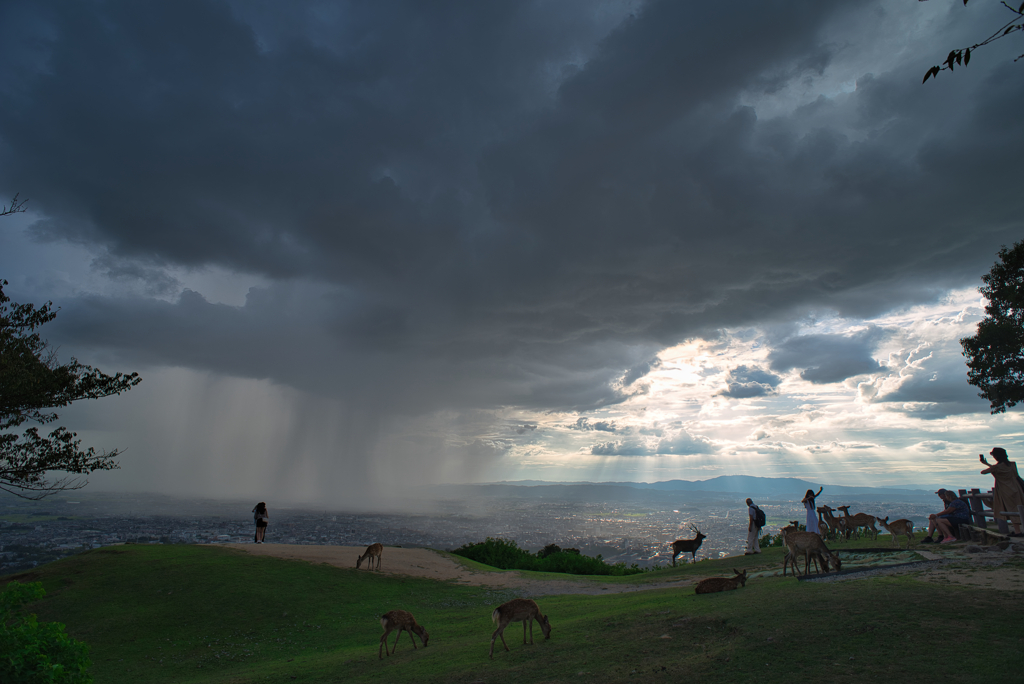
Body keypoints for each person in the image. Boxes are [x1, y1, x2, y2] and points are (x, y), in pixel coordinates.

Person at [980, 447, 1024, 535]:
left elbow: (983, 472)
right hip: (1017, 488)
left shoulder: (996, 467)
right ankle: (1018, 530)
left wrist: (986, 464)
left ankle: (1017, 531)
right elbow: (1016, 476)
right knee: (1020, 508)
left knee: (1012, 509)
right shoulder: (1012, 465)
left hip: (1005, 490)